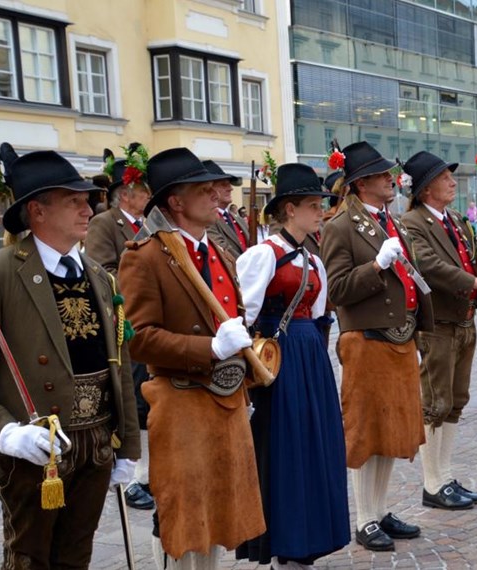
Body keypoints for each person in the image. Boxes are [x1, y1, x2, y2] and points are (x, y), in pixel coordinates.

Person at [0, 143, 140, 568]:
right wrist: (4, 432)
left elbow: (119, 365)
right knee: (30, 558)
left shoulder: (101, 276)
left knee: (77, 555)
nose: (87, 208)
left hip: (95, 445)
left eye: (88, 200)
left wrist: (127, 444)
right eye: (73, 201)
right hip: (38, 448)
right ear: (37, 211)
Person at [119, 147, 265, 569]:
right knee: (183, 518)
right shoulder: (144, 256)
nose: (217, 197)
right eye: (204, 190)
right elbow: (137, 339)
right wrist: (209, 349)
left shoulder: (216, 251)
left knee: (217, 513)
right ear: (176, 202)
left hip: (225, 399)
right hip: (181, 399)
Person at [320, 141, 433, 552]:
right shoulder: (339, 226)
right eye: (384, 175)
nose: (392, 179)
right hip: (365, 339)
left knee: (392, 432)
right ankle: (364, 518)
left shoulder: (392, 222)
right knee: (366, 433)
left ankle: (380, 509)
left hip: (399, 337)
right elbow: (337, 290)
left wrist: (417, 328)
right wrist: (378, 265)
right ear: (363, 182)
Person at [235, 163, 350, 567]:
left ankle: (309, 541)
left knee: (314, 445)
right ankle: (285, 540)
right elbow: (242, 318)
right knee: (284, 449)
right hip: (276, 361)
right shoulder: (262, 256)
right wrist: (249, 377)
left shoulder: (313, 261)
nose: (320, 212)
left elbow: (320, 318)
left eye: (320, 205)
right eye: (312, 205)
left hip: (309, 360)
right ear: (288, 210)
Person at [400, 150, 477, 510]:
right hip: (437, 322)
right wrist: (472, 281)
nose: (451, 182)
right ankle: (433, 484)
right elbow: (425, 264)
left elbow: (467, 255)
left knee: (457, 401)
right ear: (427, 188)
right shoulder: (412, 222)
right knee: (435, 402)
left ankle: (444, 474)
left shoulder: (455, 219)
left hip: (462, 319)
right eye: (445, 177)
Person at [85, 143, 156, 511]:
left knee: (147, 396)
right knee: (134, 400)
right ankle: (133, 480)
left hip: (147, 319)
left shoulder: (148, 224)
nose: (148, 196)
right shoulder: (104, 223)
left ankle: (147, 474)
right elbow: (100, 272)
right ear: (125, 194)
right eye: (144, 190)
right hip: (123, 322)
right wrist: (142, 281)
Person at [205, 160, 249, 259]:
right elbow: (222, 248)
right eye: (223, 184)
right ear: (210, 188)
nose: (230, 188)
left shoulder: (238, 219)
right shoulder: (207, 220)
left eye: (229, 184)